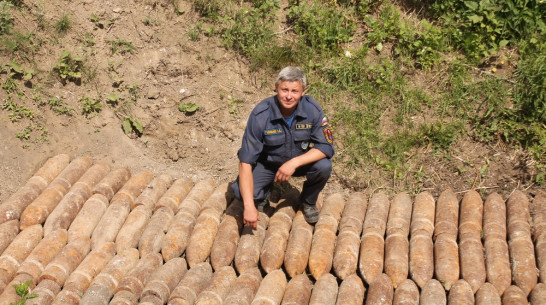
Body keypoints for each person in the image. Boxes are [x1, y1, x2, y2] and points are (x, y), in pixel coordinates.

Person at [231, 66, 334, 229]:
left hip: (299, 164)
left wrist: (293, 163)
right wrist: (249, 206)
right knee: (240, 193)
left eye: (294, 91)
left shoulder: (312, 110)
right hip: (268, 165)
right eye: (284, 89)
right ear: (276, 88)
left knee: (324, 166)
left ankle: (308, 201)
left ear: (303, 91)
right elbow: (245, 161)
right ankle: (264, 193)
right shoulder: (261, 114)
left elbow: (326, 147)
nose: (288, 96)